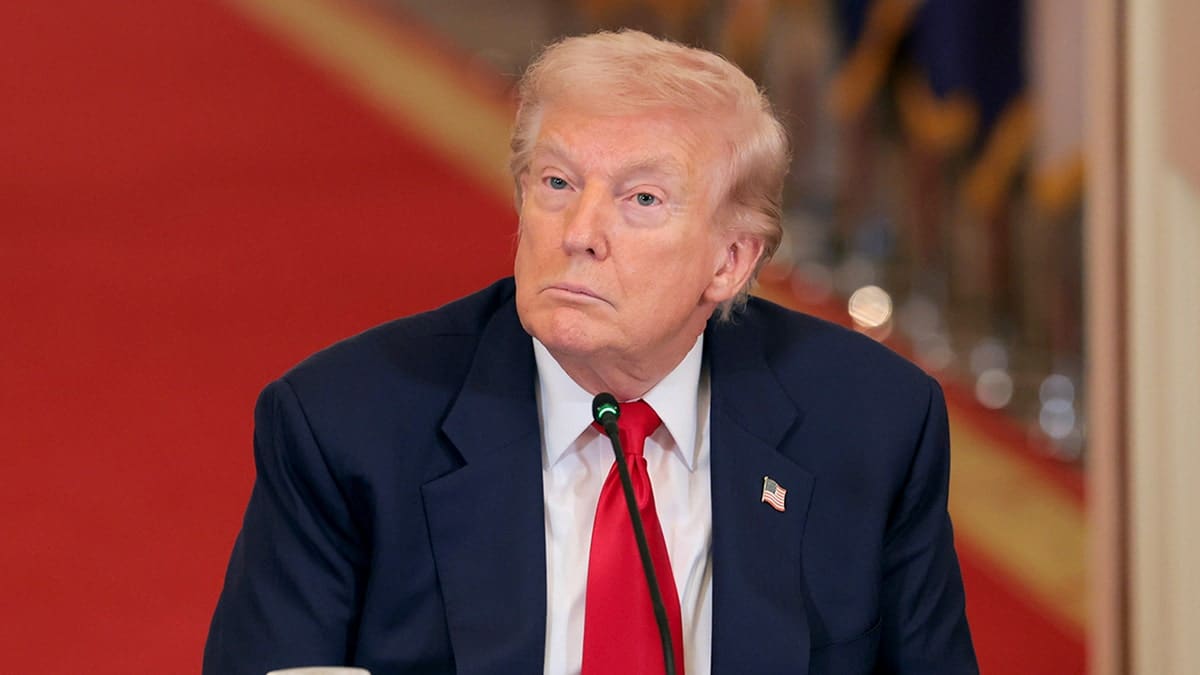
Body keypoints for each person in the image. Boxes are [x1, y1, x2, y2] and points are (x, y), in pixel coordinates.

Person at [204, 29, 977, 675]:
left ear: (731, 260)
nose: (579, 232)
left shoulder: (873, 428)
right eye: (556, 181)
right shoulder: (346, 427)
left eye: (642, 199)